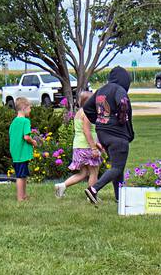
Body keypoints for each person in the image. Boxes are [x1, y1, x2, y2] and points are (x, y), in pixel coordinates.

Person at [83, 66, 134, 204]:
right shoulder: (119, 89)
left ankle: (120, 197)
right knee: (117, 167)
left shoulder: (101, 90)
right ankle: (93, 189)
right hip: (117, 135)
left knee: (118, 167)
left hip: (102, 134)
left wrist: (99, 120)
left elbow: (87, 107)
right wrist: (122, 120)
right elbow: (123, 103)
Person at [54, 91, 103, 198]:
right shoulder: (87, 113)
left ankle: (62, 186)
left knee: (84, 173)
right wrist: (94, 148)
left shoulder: (79, 112)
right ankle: (92, 195)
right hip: (87, 146)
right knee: (94, 172)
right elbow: (87, 131)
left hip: (79, 145)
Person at [9, 97, 36, 201]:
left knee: (23, 175)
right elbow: (26, 137)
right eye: (29, 108)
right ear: (24, 108)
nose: (30, 110)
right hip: (21, 153)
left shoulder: (14, 122)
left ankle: (24, 195)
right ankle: (20, 197)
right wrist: (33, 142)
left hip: (16, 152)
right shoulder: (25, 121)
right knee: (20, 176)